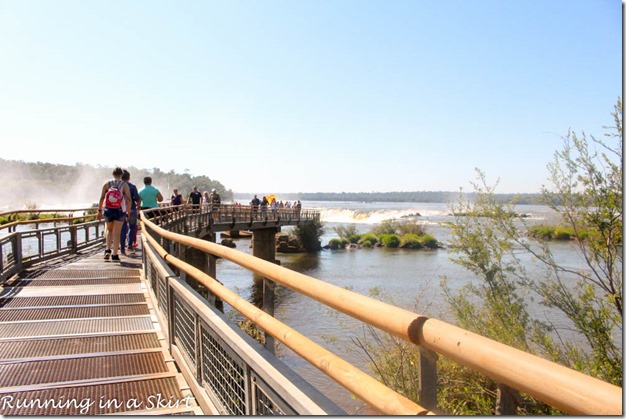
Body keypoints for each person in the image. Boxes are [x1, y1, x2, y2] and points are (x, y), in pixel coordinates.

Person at [97, 167, 131, 262]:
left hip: (108, 210)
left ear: (113, 174)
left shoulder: (107, 184)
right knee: (117, 233)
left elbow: (102, 198)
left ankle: (107, 250)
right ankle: (115, 255)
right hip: (119, 211)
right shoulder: (124, 185)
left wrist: (99, 211)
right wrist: (127, 212)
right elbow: (128, 199)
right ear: (121, 175)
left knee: (109, 230)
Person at [120, 170, 141, 255]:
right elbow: (137, 199)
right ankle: (130, 245)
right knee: (132, 227)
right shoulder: (132, 186)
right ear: (129, 177)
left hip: (121, 210)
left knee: (122, 229)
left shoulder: (118, 186)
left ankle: (122, 248)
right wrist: (138, 207)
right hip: (131, 210)